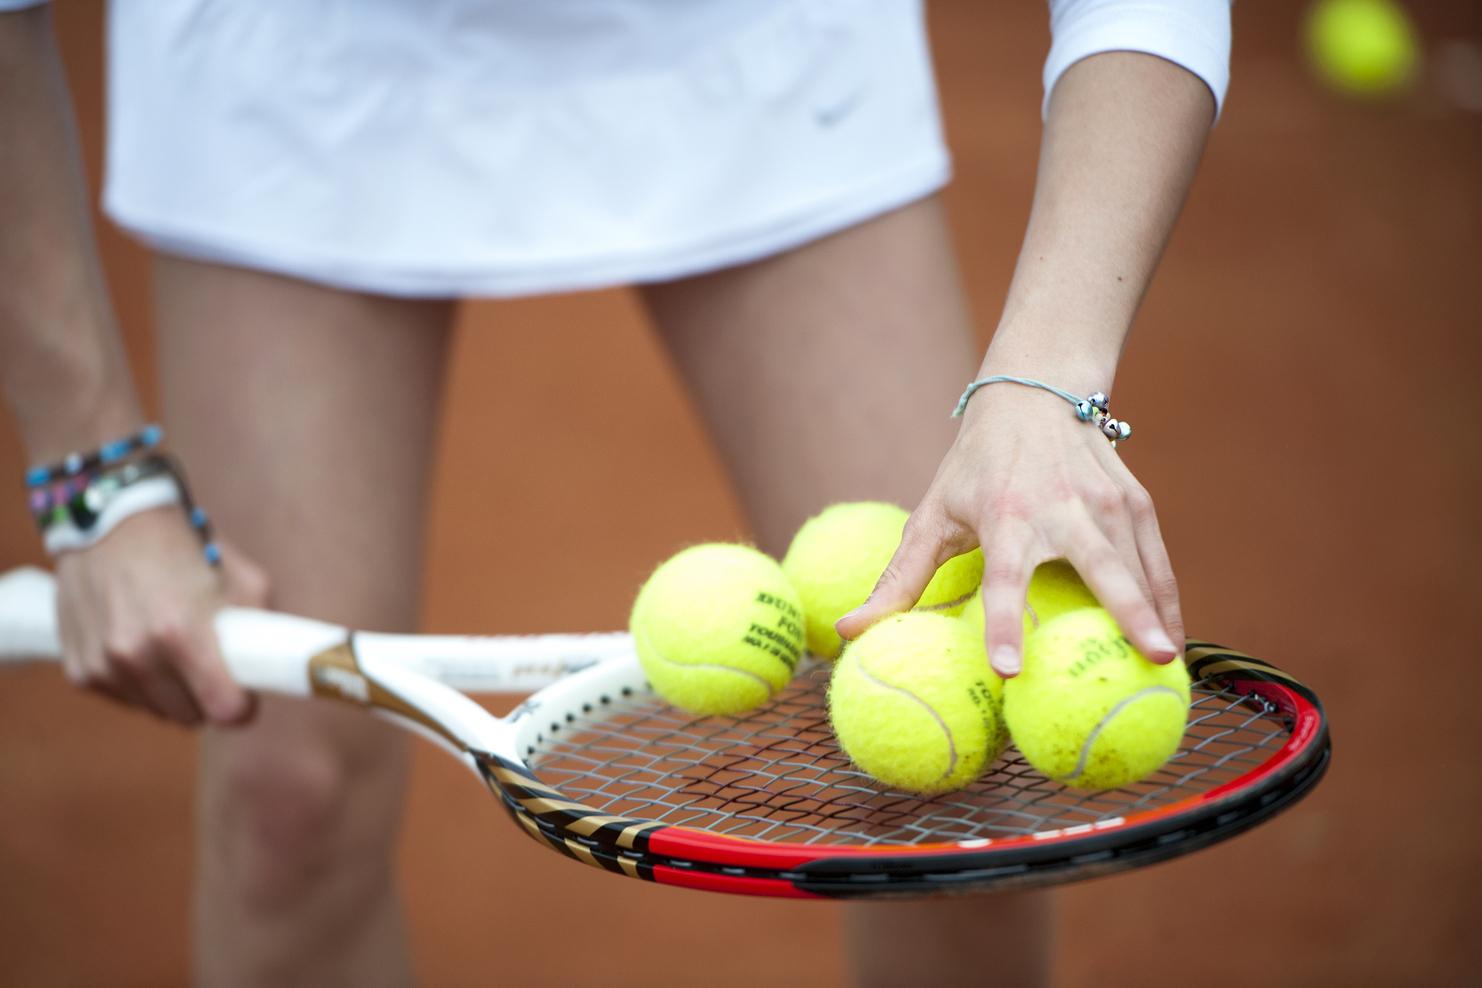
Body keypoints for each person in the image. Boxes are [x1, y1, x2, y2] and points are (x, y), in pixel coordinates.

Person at [0, 0, 1228, 983]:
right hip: (293, 60)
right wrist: (94, 476)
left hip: (746, 45)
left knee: (962, 790)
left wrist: (1044, 378)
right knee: (289, 801)